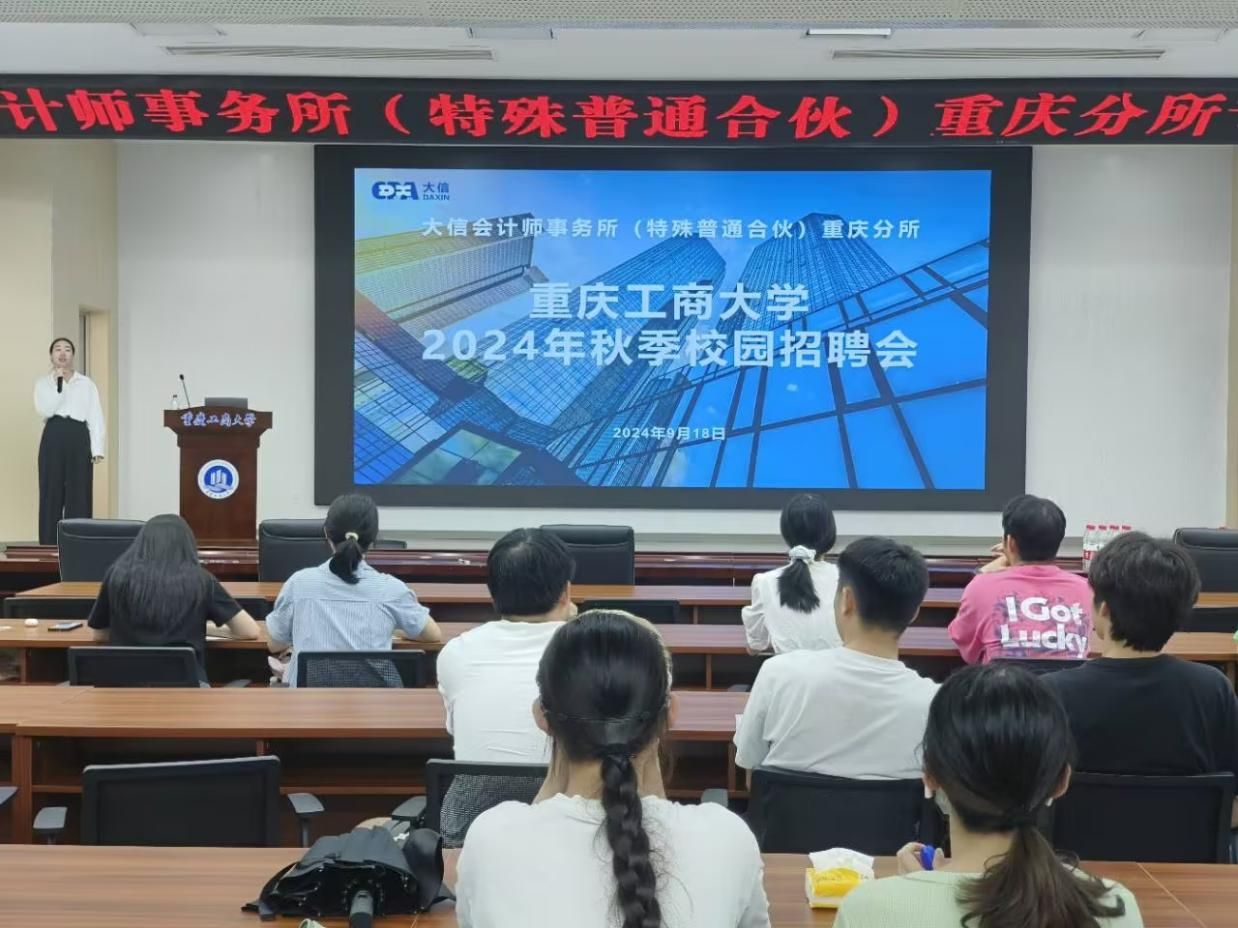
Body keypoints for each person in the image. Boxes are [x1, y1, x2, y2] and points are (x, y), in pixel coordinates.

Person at [456, 610, 770, 928]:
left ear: (541, 717)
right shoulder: (727, 840)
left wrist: (555, 777)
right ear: (670, 712)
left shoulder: (490, 840)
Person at [835, 664, 1141, 928]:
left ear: (930, 774)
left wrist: (915, 888)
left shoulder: (867, 910)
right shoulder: (1113, 907)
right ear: (1061, 782)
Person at [1044, 532, 1238, 827]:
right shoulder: (1213, 689)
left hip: (1075, 852)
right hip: (1186, 852)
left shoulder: (1053, 693)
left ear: (1105, 610)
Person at [734, 536, 937, 779]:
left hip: (792, 806)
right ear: (914, 613)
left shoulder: (778, 675)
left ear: (847, 601)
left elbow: (751, 768)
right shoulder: (935, 704)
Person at [266, 494, 441, 687]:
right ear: (373, 538)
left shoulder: (299, 584)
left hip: (311, 703)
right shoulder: (391, 590)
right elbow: (432, 635)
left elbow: (274, 644)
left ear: (326, 533)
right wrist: (396, 629)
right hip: (375, 704)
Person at [436, 527, 577, 763]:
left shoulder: (456, 652)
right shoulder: (592, 652)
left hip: (476, 789)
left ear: (492, 593)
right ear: (566, 592)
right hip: (564, 787)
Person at [88, 514, 260, 679]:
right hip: (187, 687)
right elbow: (249, 631)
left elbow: (99, 635)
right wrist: (204, 629)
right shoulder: (201, 580)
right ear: (187, 545)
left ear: (141, 542)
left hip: (122, 686)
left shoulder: (117, 576)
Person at [949, 495, 1093, 664]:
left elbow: (965, 647)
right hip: (1067, 682)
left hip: (1002, 681)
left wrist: (984, 572)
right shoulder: (1085, 590)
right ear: (1058, 543)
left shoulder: (981, 587)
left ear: (1009, 542)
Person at [742, 493, 841, 653]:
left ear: (786, 533)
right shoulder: (849, 579)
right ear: (830, 534)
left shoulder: (764, 582)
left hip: (786, 670)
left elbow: (755, 646)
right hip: (838, 669)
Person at [33, 337, 106, 545]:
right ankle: (49, 544)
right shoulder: (43, 383)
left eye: (67, 349)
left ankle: (80, 543)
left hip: (78, 436)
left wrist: (97, 449)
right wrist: (60, 384)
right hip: (54, 434)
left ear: (73, 355)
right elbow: (45, 410)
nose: (62, 353)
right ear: (51, 356)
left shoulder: (86, 384)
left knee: (79, 491)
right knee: (51, 490)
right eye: (57, 349)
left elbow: (95, 416)